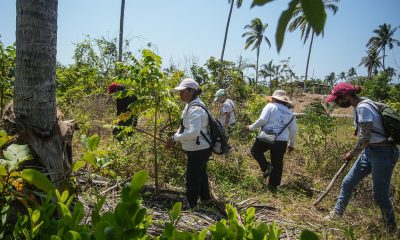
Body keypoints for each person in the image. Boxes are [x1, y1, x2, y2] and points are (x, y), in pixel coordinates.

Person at [323, 82, 399, 232]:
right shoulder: (363, 103)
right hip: (370, 151)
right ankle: (337, 214)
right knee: (348, 182)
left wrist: (351, 153)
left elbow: (365, 137)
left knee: (379, 194)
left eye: (337, 99)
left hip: (383, 153)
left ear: (346, 96)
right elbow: (367, 140)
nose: (337, 103)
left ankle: (391, 228)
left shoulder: (363, 107)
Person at [165, 78, 213, 208]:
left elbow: (194, 132)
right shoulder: (189, 106)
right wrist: (175, 137)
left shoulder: (195, 109)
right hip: (197, 148)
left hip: (199, 149)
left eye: (182, 91)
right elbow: (183, 126)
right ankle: (206, 199)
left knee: (192, 178)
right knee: (201, 174)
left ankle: (191, 204)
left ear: (191, 91)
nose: (180, 94)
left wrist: (175, 139)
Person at [247, 90, 297, 190]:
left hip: (266, 136)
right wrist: (291, 144)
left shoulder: (270, 106)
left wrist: (251, 127)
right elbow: (293, 130)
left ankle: (266, 167)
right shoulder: (290, 114)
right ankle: (273, 187)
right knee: (277, 162)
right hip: (281, 141)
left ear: (274, 98)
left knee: (255, 151)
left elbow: (262, 120)